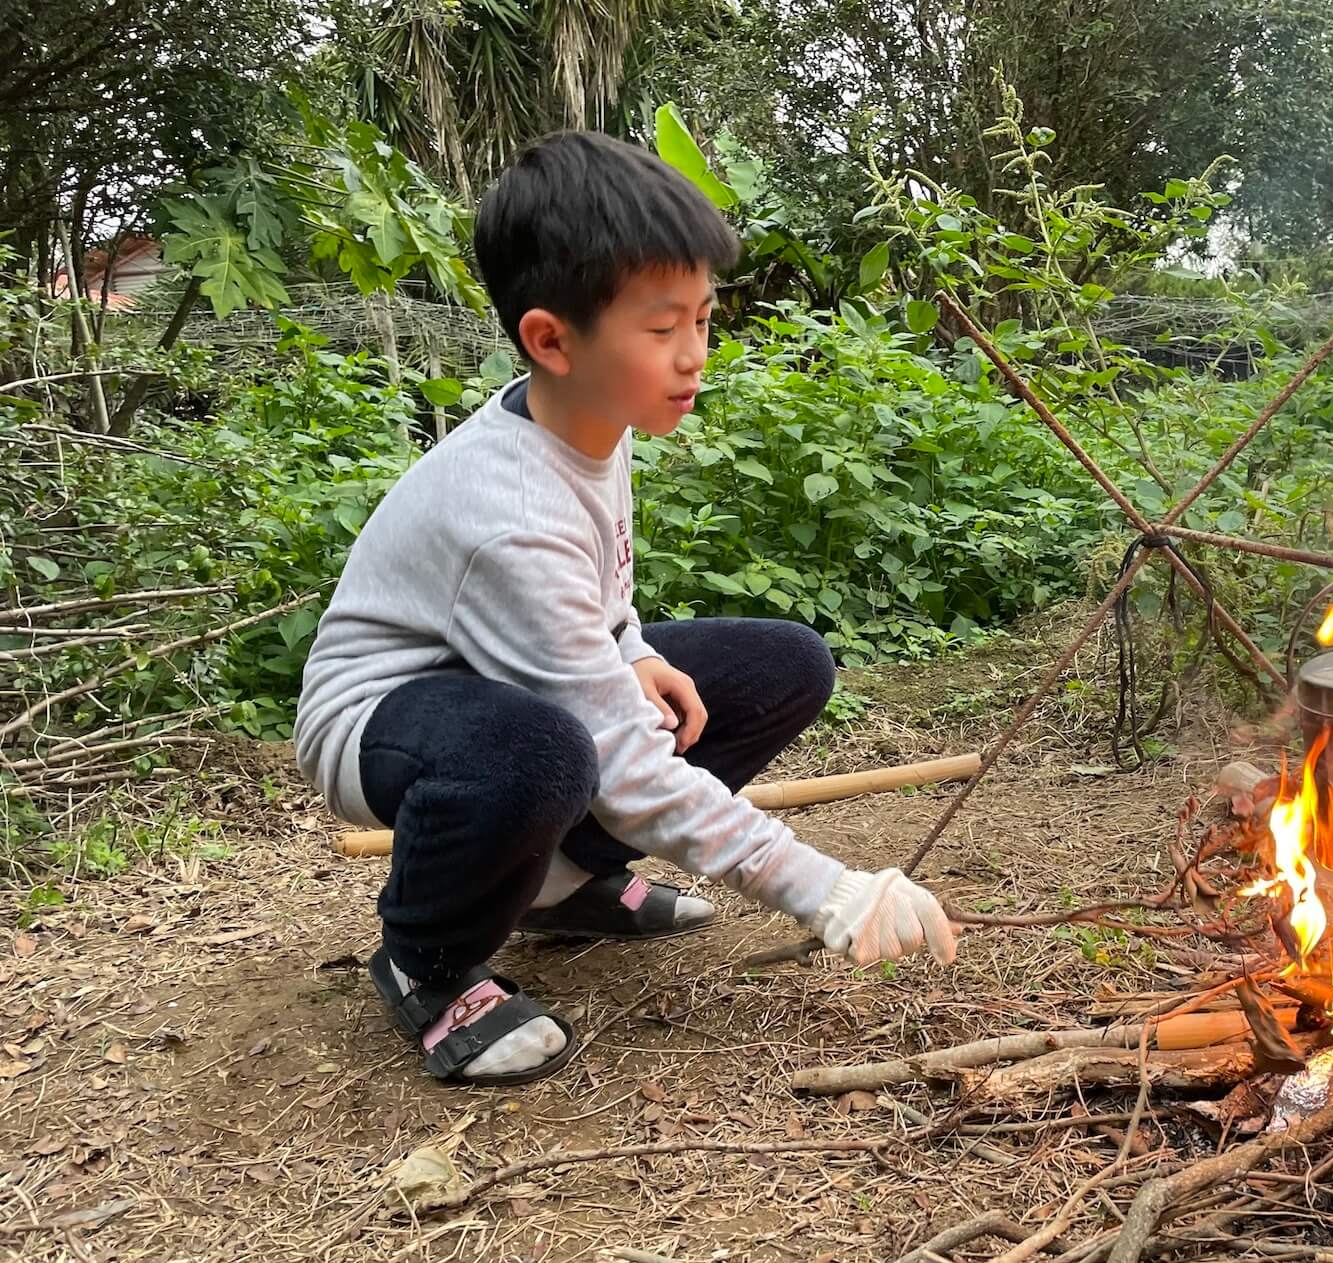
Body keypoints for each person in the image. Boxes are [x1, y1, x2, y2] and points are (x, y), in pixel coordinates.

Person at [294, 131, 956, 1087]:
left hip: (504, 679)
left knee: (784, 667)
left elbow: (603, 582)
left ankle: (560, 885)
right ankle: (426, 962)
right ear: (551, 340)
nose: (694, 358)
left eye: (703, 319)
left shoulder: (593, 420)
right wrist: (828, 891)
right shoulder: (508, 514)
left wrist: (633, 647)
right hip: (384, 717)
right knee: (544, 752)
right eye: (661, 329)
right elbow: (624, 762)